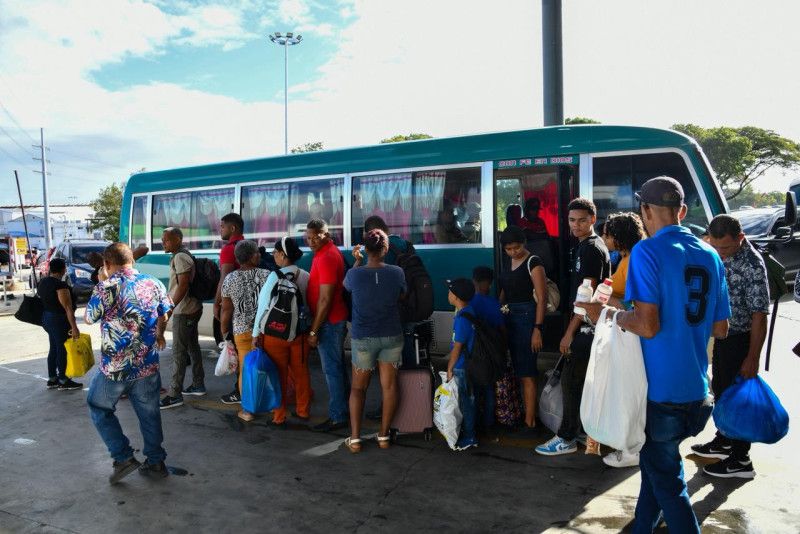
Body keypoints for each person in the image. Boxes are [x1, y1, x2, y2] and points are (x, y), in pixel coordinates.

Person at [578, 177, 730, 533]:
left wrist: (610, 314)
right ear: (682, 211)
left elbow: (646, 325)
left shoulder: (647, 251)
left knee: (669, 481)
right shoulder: (710, 254)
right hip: (697, 388)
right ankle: (641, 526)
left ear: (644, 211)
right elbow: (721, 329)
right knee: (656, 466)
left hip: (660, 392)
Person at [85, 243, 173, 484]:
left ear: (107, 264)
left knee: (99, 407)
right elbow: (165, 312)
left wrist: (103, 281)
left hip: (116, 368)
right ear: (131, 261)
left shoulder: (106, 287)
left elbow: (89, 317)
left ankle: (123, 457)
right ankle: (156, 462)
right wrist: (158, 332)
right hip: (147, 364)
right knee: (150, 414)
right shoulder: (153, 283)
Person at [691, 214, 769, 479]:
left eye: (726, 247)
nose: (720, 252)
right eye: (716, 246)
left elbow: (759, 315)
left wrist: (753, 357)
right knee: (721, 390)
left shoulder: (752, 265)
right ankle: (724, 440)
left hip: (741, 339)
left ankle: (740, 459)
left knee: (736, 399)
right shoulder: (714, 252)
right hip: (723, 336)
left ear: (741, 238)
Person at [536, 197, 610, 456]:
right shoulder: (585, 246)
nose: (575, 225)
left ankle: (566, 437)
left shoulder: (591, 249)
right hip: (586, 325)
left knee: (571, 380)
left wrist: (569, 332)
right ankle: (578, 431)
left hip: (586, 327)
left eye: (581, 220)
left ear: (593, 218)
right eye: (571, 220)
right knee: (579, 381)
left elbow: (586, 296)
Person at [342, 229, 406, 452]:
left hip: (363, 339)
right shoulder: (397, 272)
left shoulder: (354, 274)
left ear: (365, 249)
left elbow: (347, 288)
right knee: (389, 387)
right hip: (391, 336)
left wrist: (356, 262)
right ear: (386, 249)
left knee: (358, 389)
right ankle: (384, 436)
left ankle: (356, 439)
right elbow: (401, 295)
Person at [598, 212, 646, 467]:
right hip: (623, 329)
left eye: (607, 234)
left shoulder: (636, 258)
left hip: (630, 332)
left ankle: (631, 448)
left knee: (629, 391)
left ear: (618, 236)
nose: (603, 238)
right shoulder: (627, 256)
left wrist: (606, 299)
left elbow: (635, 301)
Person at [252, 236, 312, 426]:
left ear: (282, 254)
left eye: (276, 253)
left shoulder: (274, 276)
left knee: (278, 375)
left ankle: (279, 416)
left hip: (274, 335)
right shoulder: (305, 275)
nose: (274, 256)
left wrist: (255, 334)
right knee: (301, 373)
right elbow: (310, 305)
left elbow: (262, 308)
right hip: (299, 334)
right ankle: (303, 411)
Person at [498, 226, 547, 436]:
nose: (512, 252)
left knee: (527, 372)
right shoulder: (506, 261)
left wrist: (537, 329)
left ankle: (530, 422)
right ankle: (520, 415)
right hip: (509, 315)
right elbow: (503, 290)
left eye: (516, 247)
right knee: (516, 370)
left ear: (524, 243)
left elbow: (542, 298)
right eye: (508, 249)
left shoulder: (533, 262)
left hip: (527, 317)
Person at [305, 218, 350, 432]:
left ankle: (338, 416)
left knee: (332, 370)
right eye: (308, 238)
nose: (312, 242)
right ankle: (344, 410)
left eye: (316, 237)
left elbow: (326, 300)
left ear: (327, 235)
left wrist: (314, 329)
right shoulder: (326, 253)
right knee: (337, 368)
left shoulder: (327, 257)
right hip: (331, 320)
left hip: (329, 322)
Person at [220, 240, 270, 422]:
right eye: (257, 252)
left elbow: (227, 309)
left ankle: (248, 410)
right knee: (268, 367)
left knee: (246, 370)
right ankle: (270, 404)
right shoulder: (267, 275)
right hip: (265, 331)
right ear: (252, 256)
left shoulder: (230, 278)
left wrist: (224, 331)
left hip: (241, 331)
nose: (259, 255)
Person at [159, 227, 205, 410]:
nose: (163, 243)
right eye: (163, 240)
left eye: (167, 240)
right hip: (191, 308)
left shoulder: (180, 257)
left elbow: (183, 285)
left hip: (184, 310)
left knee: (179, 353)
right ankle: (198, 384)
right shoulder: (183, 254)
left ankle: (174, 394)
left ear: (177, 239)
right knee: (193, 347)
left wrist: (169, 309)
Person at [37, 258, 82, 391]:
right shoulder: (60, 286)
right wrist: (74, 327)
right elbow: (67, 308)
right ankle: (63, 379)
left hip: (47, 317)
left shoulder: (43, 282)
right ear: (63, 269)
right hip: (58, 320)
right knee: (62, 349)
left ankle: (52, 378)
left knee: (54, 347)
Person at [445, 278, 478, 450]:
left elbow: (457, 348)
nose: (448, 295)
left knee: (465, 402)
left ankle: (469, 436)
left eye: (450, 292)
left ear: (456, 296)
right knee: (467, 400)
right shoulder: (469, 311)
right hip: (467, 364)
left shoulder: (462, 318)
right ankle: (469, 433)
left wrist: (450, 369)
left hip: (461, 366)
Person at [471, 266, 505, 430]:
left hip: (475, 353)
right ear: (490, 284)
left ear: (474, 281)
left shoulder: (469, 302)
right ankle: (489, 422)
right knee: (490, 387)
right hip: (491, 352)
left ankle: (476, 420)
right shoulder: (494, 304)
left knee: (476, 388)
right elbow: (501, 329)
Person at [217, 213, 246, 405]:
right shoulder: (248, 246)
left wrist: (217, 302)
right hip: (249, 306)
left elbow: (224, 278)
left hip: (234, 306)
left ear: (232, 228)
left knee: (235, 350)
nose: (220, 230)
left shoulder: (229, 249)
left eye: (222, 226)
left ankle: (240, 390)